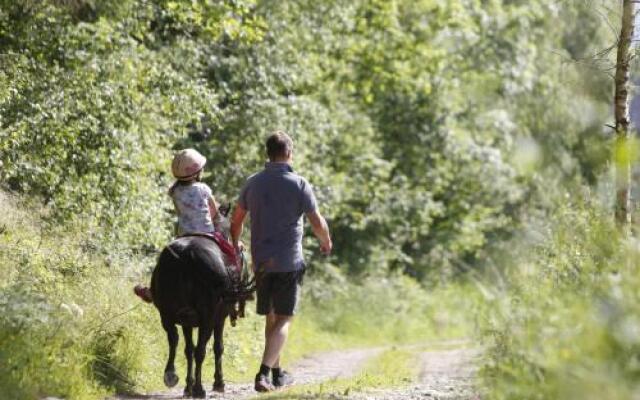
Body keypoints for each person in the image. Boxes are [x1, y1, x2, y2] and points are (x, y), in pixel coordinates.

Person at [230, 131, 332, 392]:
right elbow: (317, 222)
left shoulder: (253, 183)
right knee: (285, 318)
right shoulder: (298, 184)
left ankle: (276, 373)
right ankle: (264, 373)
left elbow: (237, 221)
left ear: (268, 153)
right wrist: (326, 241)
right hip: (288, 261)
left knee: (271, 319)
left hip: (261, 262)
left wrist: (235, 244)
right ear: (289, 153)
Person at [134, 148, 220, 303]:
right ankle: (234, 290)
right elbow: (214, 213)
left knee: (164, 262)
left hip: (183, 236)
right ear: (197, 172)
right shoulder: (204, 189)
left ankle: (154, 291)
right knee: (228, 253)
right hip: (207, 234)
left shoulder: (174, 191)